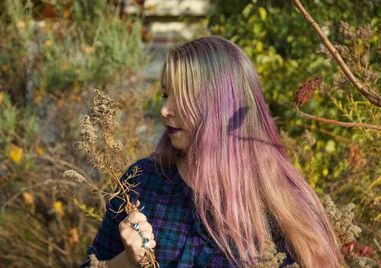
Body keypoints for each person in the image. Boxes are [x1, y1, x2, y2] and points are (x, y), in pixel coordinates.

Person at [83, 36, 345, 267]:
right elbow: (93, 264)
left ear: (220, 106)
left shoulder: (280, 203)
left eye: (182, 98)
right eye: (165, 95)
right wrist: (127, 262)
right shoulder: (143, 182)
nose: (165, 110)